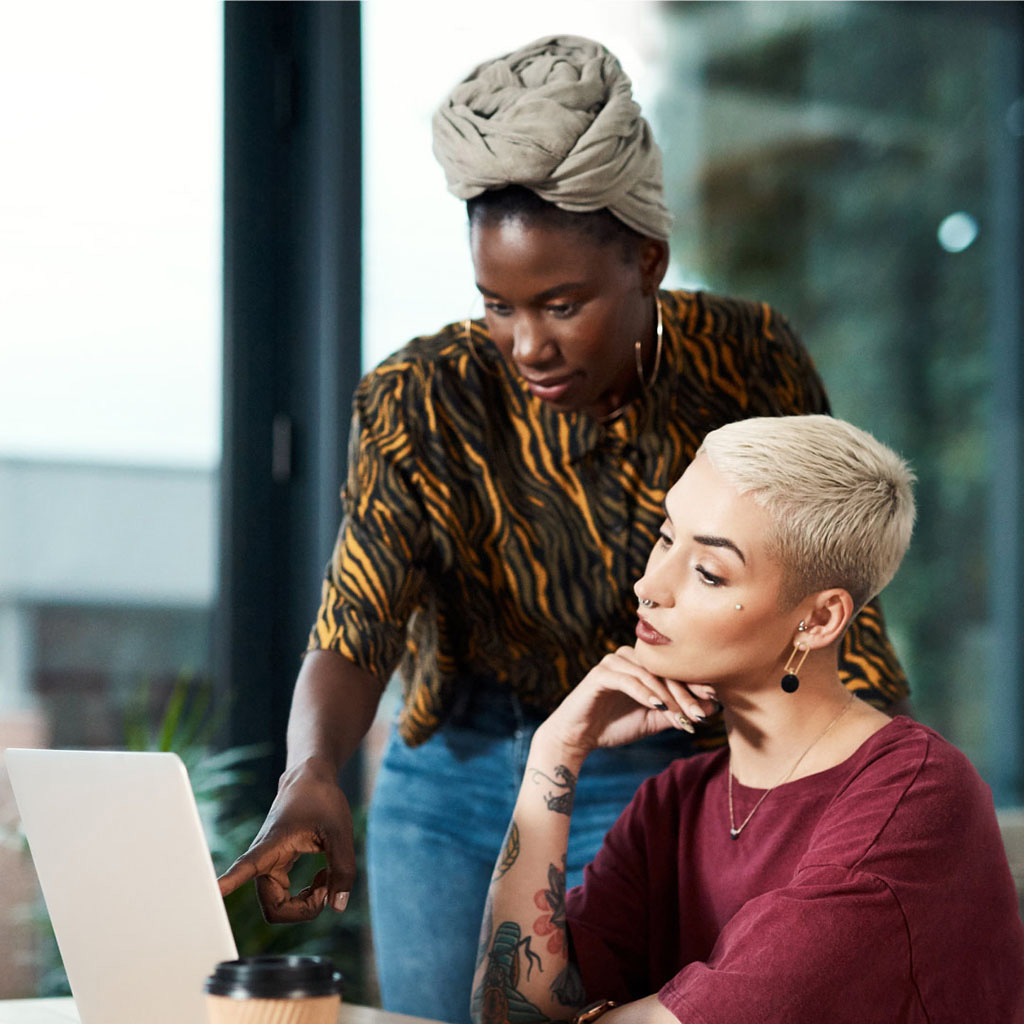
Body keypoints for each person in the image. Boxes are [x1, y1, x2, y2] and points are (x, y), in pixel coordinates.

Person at [218, 36, 910, 1023]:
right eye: (497, 306)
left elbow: (829, 589)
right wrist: (313, 769)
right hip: (449, 780)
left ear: (648, 263)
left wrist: (873, 783)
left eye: (562, 304)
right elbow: (357, 620)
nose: (527, 345)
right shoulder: (422, 395)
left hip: (654, 771)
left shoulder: (748, 364)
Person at [471, 414, 1024, 1024]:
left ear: (817, 620)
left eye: (709, 572)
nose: (647, 586)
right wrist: (556, 748)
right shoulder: (676, 803)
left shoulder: (915, 797)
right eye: (664, 537)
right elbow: (509, 1013)